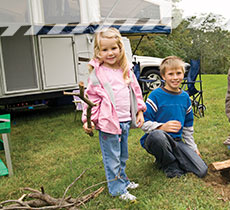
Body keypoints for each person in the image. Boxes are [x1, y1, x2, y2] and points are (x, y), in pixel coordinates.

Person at [82, 27, 146, 201]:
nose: (110, 53)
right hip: (108, 122)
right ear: (98, 52)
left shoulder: (125, 69)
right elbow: (91, 99)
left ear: (120, 48)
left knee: (122, 155)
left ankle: (123, 180)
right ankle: (117, 189)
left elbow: (136, 91)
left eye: (113, 48)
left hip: (125, 120)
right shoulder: (98, 74)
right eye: (105, 49)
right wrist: (88, 120)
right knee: (112, 157)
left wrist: (139, 111)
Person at [140, 56, 208, 178]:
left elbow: (187, 127)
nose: (175, 77)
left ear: (183, 74)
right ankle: (170, 165)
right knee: (158, 136)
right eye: (171, 74)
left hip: (176, 141)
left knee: (201, 170)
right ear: (163, 76)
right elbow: (143, 123)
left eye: (178, 73)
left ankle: (170, 158)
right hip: (155, 138)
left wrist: (193, 148)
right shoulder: (155, 95)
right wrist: (162, 126)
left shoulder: (185, 97)